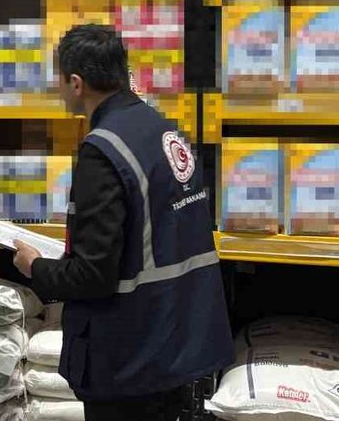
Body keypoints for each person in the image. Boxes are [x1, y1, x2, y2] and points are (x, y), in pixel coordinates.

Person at [12, 24, 233, 421]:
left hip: (129, 353)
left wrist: (36, 267)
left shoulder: (103, 150)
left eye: (60, 80)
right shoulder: (164, 130)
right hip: (176, 338)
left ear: (76, 83)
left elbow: (93, 275)